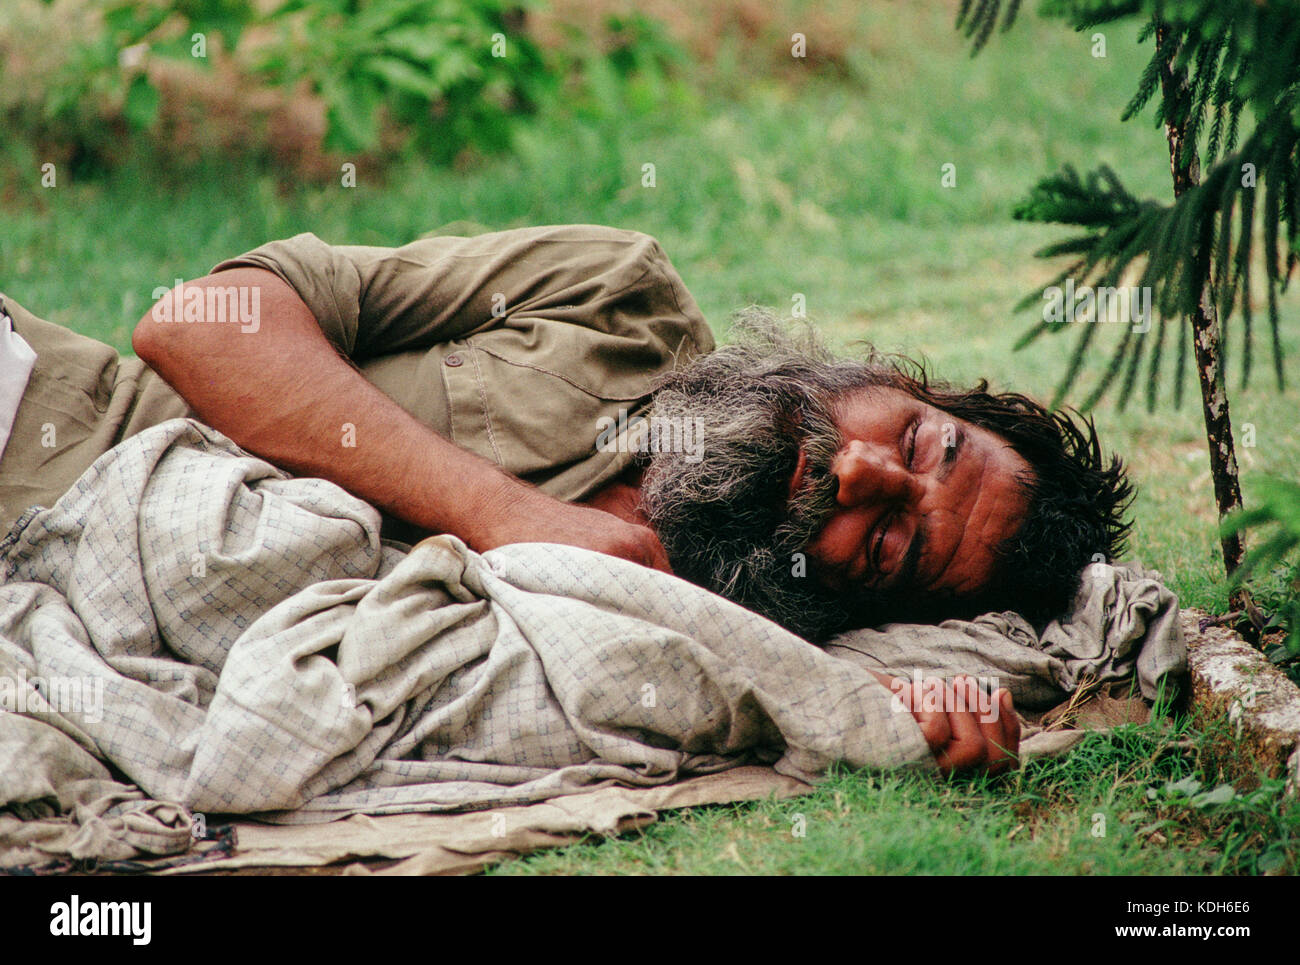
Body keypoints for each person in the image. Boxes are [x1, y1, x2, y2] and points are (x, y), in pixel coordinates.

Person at [0, 224, 1132, 774]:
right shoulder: (613, 295)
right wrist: (509, 515)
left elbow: (867, 684)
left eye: (883, 538)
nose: (862, 472)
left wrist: (917, 704)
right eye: (921, 442)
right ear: (899, 382)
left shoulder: (697, 633)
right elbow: (200, 320)